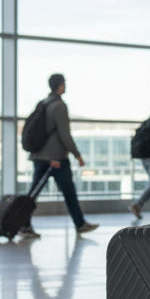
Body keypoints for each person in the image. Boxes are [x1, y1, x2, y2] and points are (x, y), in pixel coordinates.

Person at [20, 73, 98, 238]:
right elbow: (65, 134)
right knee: (69, 192)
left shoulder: (43, 103)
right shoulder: (60, 106)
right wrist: (77, 155)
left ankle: (23, 224)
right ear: (61, 85)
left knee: (33, 194)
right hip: (56, 158)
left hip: (39, 156)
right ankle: (80, 224)